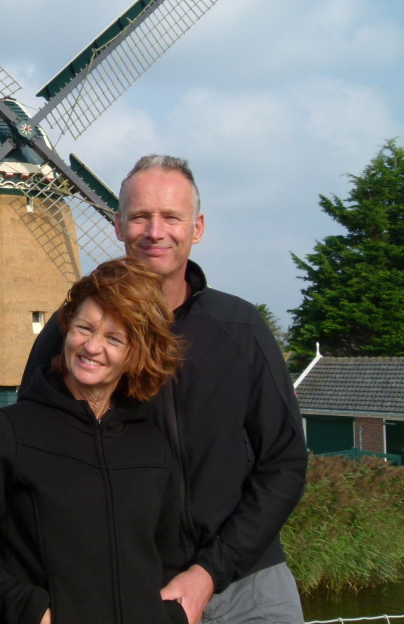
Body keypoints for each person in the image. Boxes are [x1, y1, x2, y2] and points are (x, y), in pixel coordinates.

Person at [22, 155, 308, 624]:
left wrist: (209, 572)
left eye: (171, 217)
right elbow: (28, 463)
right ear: (117, 225)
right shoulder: (71, 337)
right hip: (131, 588)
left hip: (247, 583)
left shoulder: (241, 329)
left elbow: (284, 462)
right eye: (140, 216)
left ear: (197, 228)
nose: (155, 232)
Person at [0, 257, 189, 624]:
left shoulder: (151, 445)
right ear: (66, 329)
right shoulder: (12, 431)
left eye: (113, 338)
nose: (92, 347)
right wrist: (29, 612)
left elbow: (167, 557)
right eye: (84, 328)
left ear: (135, 353)